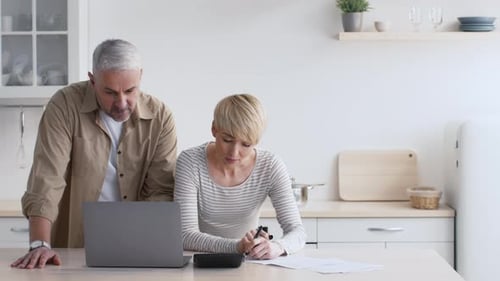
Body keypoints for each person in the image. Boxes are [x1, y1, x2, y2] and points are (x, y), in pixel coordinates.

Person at [11, 39, 177, 269]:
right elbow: (47, 178)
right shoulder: (64, 106)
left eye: (130, 91)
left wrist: (147, 249)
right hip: (72, 245)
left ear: (140, 76)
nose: (122, 103)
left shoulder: (160, 118)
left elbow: (160, 191)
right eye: (110, 92)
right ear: (92, 80)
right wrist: (40, 244)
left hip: (135, 245)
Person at [174, 94, 305, 260]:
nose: (234, 153)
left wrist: (277, 247)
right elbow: (185, 235)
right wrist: (237, 246)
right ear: (214, 129)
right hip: (199, 263)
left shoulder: (270, 166)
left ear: (257, 140)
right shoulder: (190, 162)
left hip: (248, 264)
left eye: (246, 144)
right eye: (227, 140)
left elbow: (297, 231)